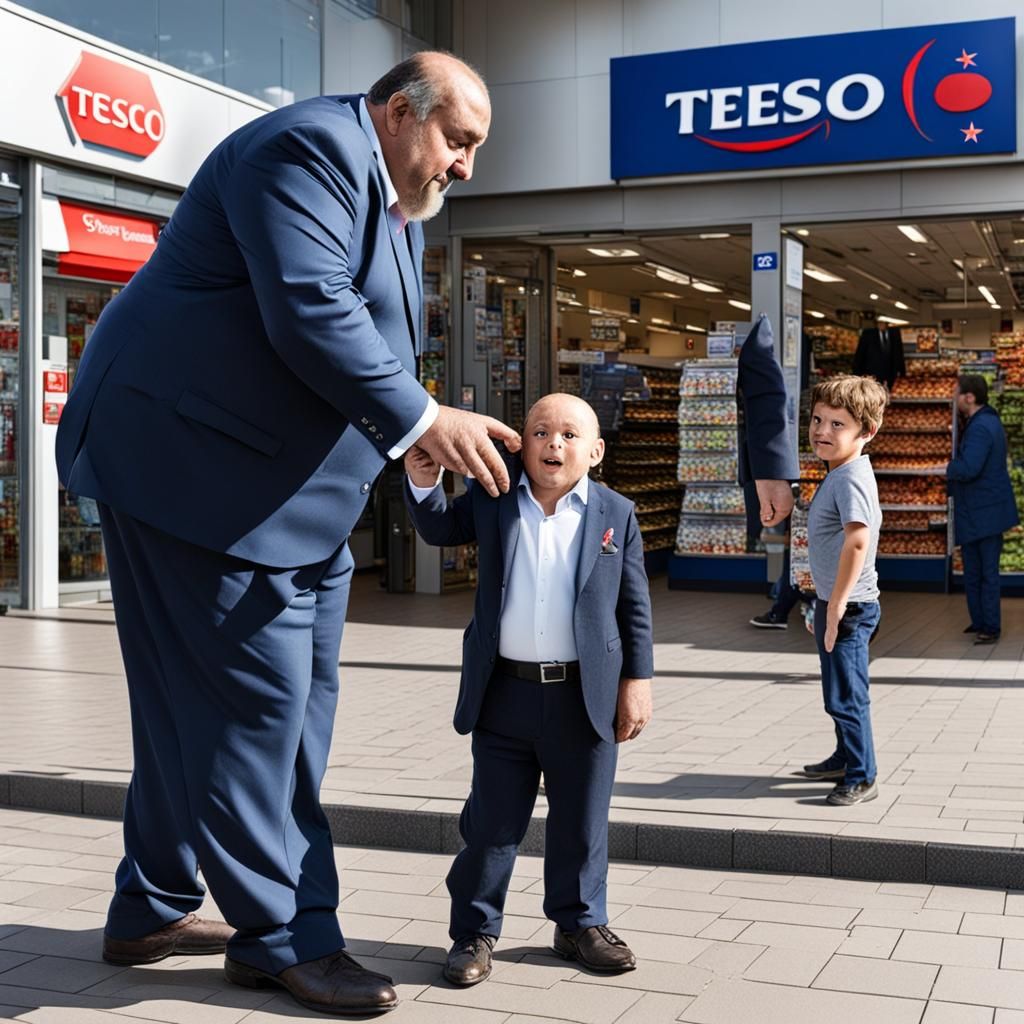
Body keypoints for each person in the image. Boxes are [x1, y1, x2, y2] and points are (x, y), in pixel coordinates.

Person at [55, 53, 521, 1017]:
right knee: (254, 719)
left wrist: (409, 444)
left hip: (282, 499)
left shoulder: (392, 200)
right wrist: (422, 419)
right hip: (194, 478)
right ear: (400, 111)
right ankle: (286, 937)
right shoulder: (309, 146)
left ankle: (149, 907)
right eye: (459, 140)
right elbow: (311, 307)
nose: (467, 165)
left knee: (271, 713)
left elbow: (372, 342)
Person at [404, 393, 653, 985]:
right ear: (522, 441)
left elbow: (634, 606)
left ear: (594, 451)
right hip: (505, 692)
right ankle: (474, 933)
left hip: (582, 694)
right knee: (491, 826)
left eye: (569, 435)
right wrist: (422, 482)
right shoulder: (494, 499)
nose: (554, 444)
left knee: (582, 820)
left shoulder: (616, 514)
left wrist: (636, 681)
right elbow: (439, 528)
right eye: (541, 431)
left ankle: (579, 924)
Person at [800, 375, 887, 807]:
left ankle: (862, 775)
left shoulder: (851, 477)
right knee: (835, 688)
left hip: (848, 607)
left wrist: (834, 605)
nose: (822, 431)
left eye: (838, 425)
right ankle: (844, 756)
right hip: (836, 602)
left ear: (866, 432)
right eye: (818, 420)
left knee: (847, 694)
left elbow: (857, 540)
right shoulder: (838, 472)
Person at [947, 374, 1019, 645]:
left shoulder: (979, 427)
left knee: (984, 572)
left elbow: (969, 468)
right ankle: (980, 620)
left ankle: (990, 626)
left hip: (982, 512)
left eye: (957, 394)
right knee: (977, 571)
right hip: (982, 511)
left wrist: (948, 467)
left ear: (969, 397)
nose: (955, 399)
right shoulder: (988, 421)